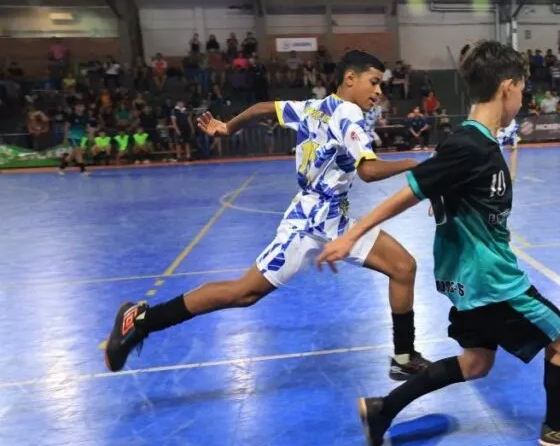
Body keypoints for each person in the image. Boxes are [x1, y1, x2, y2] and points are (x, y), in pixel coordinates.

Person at [316, 41, 560, 446]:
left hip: (467, 282)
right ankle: (557, 427)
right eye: (522, 88)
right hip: (493, 282)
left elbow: (442, 190)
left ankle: (383, 409)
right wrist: (351, 235)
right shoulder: (471, 146)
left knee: (477, 362)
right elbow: (408, 193)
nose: (523, 98)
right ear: (507, 87)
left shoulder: (472, 145)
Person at [103, 50, 431, 381]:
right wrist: (417, 164)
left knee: (402, 267)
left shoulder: (313, 107)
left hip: (336, 220)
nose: (379, 91)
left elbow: (263, 109)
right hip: (309, 226)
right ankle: (140, 320)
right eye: (374, 82)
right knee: (243, 292)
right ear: (350, 79)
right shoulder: (348, 114)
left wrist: (227, 128)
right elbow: (370, 172)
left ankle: (403, 357)